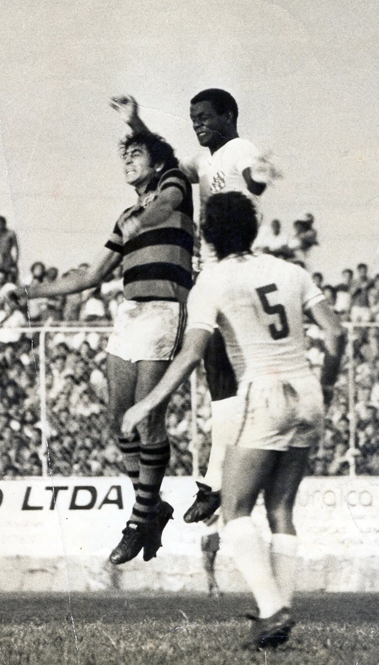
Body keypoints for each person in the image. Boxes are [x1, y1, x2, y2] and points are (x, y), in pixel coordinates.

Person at [122, 192, 344, 650]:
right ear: (253, 229)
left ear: (208, 234)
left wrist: (148, 403)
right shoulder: (292, 271)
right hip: (306, 392)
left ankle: (272, 610)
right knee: (281, 509)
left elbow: (191, 353)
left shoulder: (214, 280)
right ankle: (277, 621)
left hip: (263, 392)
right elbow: (337, 333)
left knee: (234, 508)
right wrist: (325, 384)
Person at [17, 131, 194, 565]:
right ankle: (153, 508)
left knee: (148, 416)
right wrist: (29, 291)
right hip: (131, 313)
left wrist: (147, 217)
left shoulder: (174, 187)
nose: (128, 161)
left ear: (156, 164)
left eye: (137, 154)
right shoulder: (126, 215)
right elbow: (90, 275)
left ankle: (139, 520)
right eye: (125, 156)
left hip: (164, 309)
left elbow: (168, 203)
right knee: (120, 419)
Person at [111, 90, 280, 523]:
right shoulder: (204, 163)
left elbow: (254, 174)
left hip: (229, 271)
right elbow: (167, 161)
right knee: (222, 376)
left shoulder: (238, 148)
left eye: (205, 117)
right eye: (193, 118)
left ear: (229, 115)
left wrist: (260, 176)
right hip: (217, 275)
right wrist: (136, 123)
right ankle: (216, 479)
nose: (198, 124)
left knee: (221, 373)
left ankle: (216, 480)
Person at [0, 216, 19, 280]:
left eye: (0, 224)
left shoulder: (10, 233)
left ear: (4, 224)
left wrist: (15, 261)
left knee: (11, 274)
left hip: (8, 257)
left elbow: (15, 248)